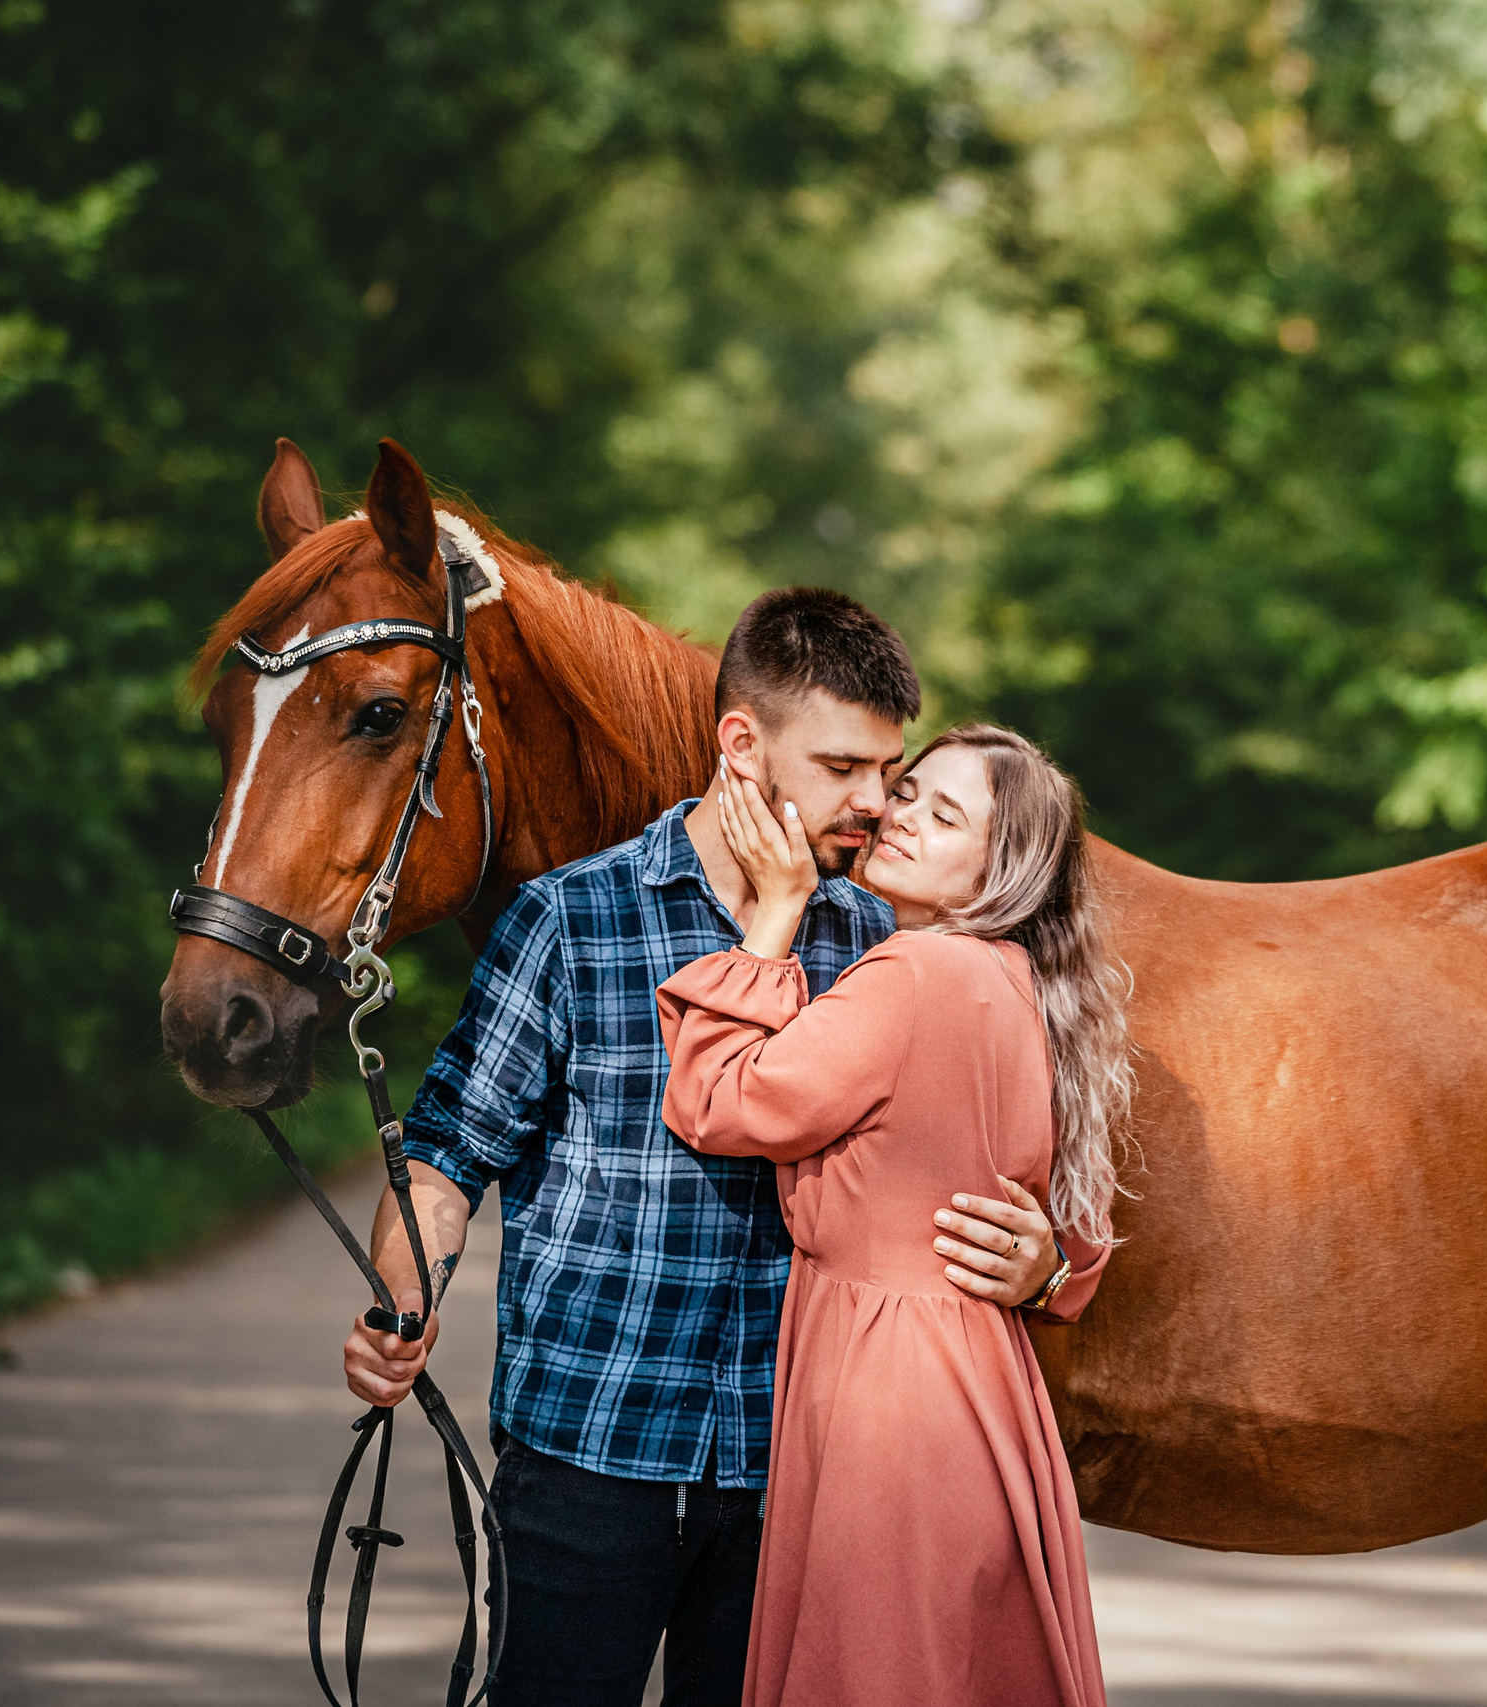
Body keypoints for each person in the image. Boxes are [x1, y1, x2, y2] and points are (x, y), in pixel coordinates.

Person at [339, 589, 1099, 1707]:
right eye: (843, 766)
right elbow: (448, 1154)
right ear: (740, 743)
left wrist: (1049, 1263)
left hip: (795, 1473)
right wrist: (400, 1305)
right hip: (592, 1448)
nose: (874, 803)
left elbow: (1010, 1143)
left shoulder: (885, 933)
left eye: (889, 772)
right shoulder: (572, 919)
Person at [656, 723, 1131, 1707]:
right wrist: (1047, 1275)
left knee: (875, 1667)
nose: (899, 815)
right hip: (974, 1387)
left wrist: (774, 914)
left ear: (1002, 870)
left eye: (942, 813)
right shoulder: (1019, 983)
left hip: (891, 1394)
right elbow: (1078, 1235)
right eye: (908, 792)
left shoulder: (919, 974)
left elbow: (721, 1103)